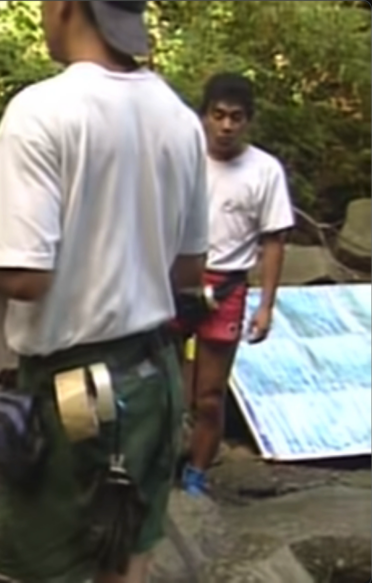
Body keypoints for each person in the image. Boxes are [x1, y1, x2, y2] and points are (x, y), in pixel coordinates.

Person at [0, 3, 208, 583]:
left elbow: (24, 276)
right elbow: (189, 266)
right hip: (154, 382)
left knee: (9, 573)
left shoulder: (43, 111)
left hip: (77, 394)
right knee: (122, 562)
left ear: (67, 6)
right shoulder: (177, 117)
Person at [178, 73, 293, 497]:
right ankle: (153, 465)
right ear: (204, 115)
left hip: (227, 286)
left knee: (208, 395)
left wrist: (266, 306)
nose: (227, 126)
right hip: (175, 278)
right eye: (219, 115)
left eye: (236, 118)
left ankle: (196, 473)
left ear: (249, 121)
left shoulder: (264, 170)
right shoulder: (182, 158)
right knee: (161, 385)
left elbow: (274, 240)